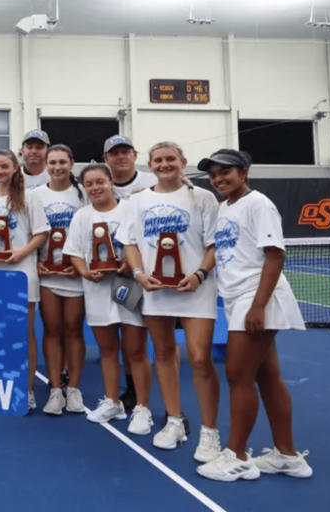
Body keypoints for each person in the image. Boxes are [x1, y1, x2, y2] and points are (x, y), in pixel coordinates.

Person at [195, 149, 312, 481]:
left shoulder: (259, 203)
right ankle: (288, 457)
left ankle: (237, 455)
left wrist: (258, 306)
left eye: (225, 172)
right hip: (236, 299)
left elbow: (274, 256)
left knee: (238, 375)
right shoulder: (225, 207)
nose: (218, 179)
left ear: (244, 172)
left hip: (256, 297)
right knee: (266, 375)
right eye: (213, 175)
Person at [117, 141, 221, 460]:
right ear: (150, 165)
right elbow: (130, 242)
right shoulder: (138, 200)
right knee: (162, 352)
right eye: (158, 160)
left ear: (182, 162)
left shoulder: (203, 197)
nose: (164, 164)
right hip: (155, 290)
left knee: (201, 358)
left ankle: (210, 433)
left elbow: (214, 244)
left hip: (196, 290)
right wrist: (137, 273)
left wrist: (200, 274)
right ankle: (174, 420)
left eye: (170, 159)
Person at [64, 164, 153, 433]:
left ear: (111, 181)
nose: (95, 188)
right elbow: (75, 251)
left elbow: (140, 245)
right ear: (84, 188)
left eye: (100, 181)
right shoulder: (81, 216)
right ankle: (113, 400)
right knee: (107, 350)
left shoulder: (130, 208)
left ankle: (142, 408)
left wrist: (129, 264)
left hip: (128, 288)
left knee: (135, 351)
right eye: (89, 184)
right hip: (97, 291)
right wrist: (84, 272)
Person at [0, 150, 49, 410]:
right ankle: (0, 385)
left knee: (23, 333)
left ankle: (26, 390)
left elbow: (41, 233)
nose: (0, 171)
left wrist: (21, 252)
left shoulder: (30, 196)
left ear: (16, 167)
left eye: (4, 166)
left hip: (22, 274)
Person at [102, 134, 160, 413]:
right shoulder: (99, 184)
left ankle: (143, 396)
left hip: (144, 271)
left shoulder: (151, 182)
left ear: (135, 155)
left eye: (125, 152)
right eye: (114, 153)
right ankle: (128, 387)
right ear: (106, 159)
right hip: (107, 272)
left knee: (138, 336)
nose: (120, 157)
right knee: (115, 335)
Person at [33, 144, 88, 415]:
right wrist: (36, 262)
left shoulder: (83, 195)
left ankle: (74, 389)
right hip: (47, 275)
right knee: (52, 330)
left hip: (75, 274)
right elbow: (30, 233)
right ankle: (55, 390)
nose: (57, 167)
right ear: (45, 164)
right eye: (52, 162)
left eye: (62, 162)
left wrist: (82, 265)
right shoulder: (35, 195)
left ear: (71, 163)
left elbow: (94, 231)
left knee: (73, 329)